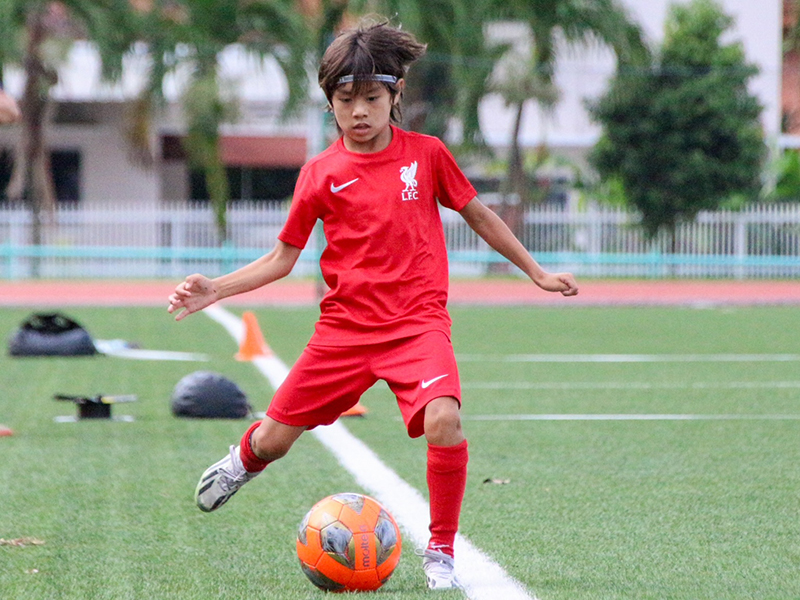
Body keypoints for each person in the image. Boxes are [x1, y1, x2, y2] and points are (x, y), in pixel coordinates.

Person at [168, 18, 578, 591]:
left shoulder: (427, 155)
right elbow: (283, 257)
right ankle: (242, 460)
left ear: (395, 95)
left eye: (371, 98)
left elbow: (478, 213)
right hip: (344, 333)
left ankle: (440, 550)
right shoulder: (319, 174)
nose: (359, 111)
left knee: (445, 418)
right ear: (330, 104)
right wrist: (217, 288)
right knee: (274, 440)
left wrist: (535, 271)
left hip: (417, 326)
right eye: (345, 100)